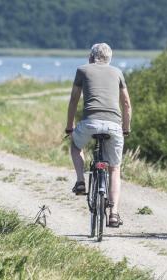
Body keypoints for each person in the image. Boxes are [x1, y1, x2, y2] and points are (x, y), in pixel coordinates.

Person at [65, 43, 132, 227]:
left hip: (90, 123)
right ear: (109, 58)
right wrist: (126, 127)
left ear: (91, 57)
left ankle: (80, 181)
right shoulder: (117, 72)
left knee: (76, 146)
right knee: (114, 168)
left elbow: (73, 99)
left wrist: (70, 126)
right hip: (113, 125)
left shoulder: (82, 70)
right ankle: (114, 214)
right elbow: (126, 103)